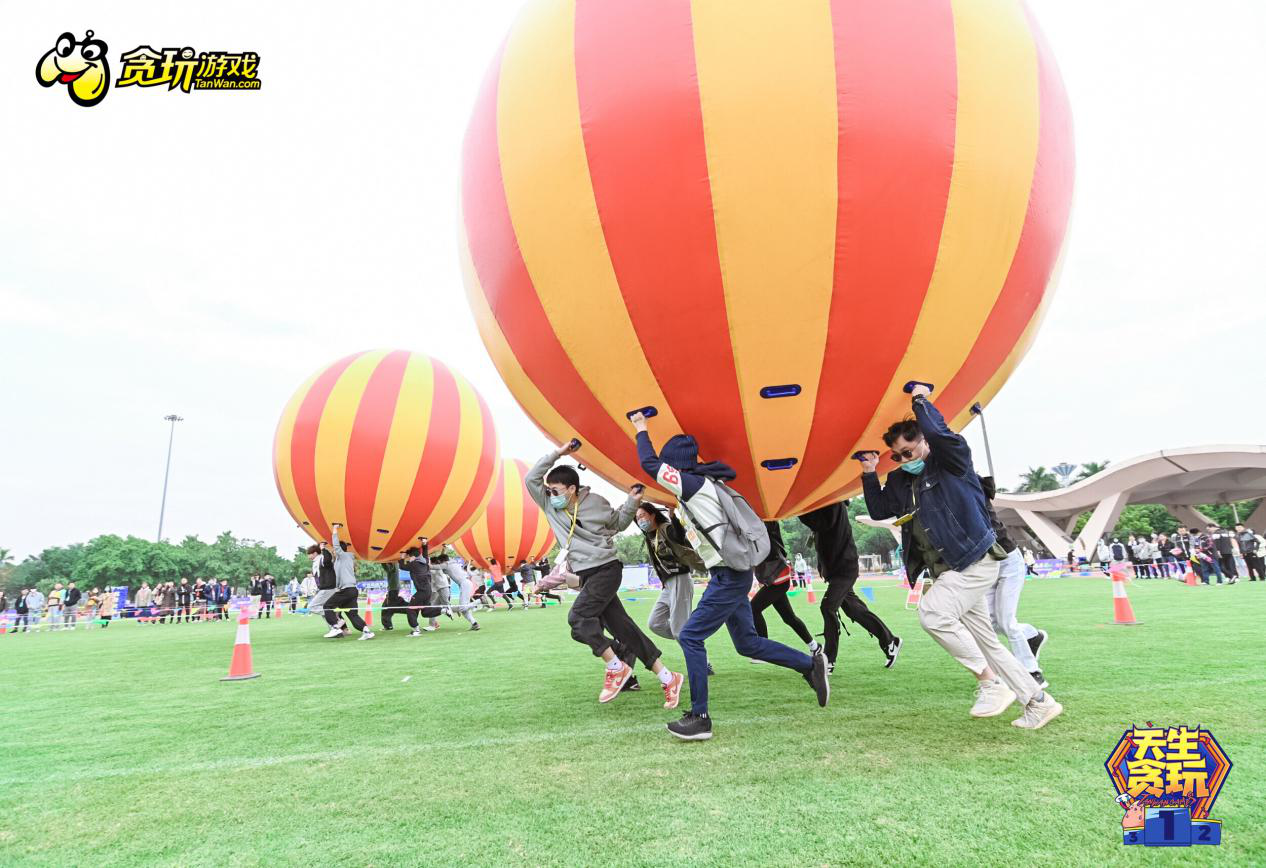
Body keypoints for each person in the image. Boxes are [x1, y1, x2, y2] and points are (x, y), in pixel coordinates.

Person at [859, 383, 1061, 730]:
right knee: (989, 643)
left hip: (974, 559)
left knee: (933, 613)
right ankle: (1038, 702)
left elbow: (941, 434)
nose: (905, 460)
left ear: (925, 441)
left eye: (910, 451)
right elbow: (879, 509)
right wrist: (868, 471)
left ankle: (990, 682)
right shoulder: (900, 481)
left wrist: (920, 399)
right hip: (946, 569)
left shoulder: (951, 463)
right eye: (899, 456)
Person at [631, 413, 827, 741]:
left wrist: (640, 428)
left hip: (729, 576)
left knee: (691, 636)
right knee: (747, 643)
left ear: (675, 468)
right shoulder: (700, 487)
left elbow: (649, 464)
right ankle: (810, 665)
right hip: (732, 573)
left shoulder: (691, 484)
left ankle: (700, 717)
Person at [528, 439, 683, 708]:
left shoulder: (596, 503)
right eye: (549, 491)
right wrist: (559, 453)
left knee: (578, 619)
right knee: (624, 630)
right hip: (586, 575)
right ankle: (668, 677)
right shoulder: (549, 504)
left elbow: (619, 523)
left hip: (607, 570)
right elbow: (532, 478)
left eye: (556, 490)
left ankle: (616, 666)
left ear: (572, 489)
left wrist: (632, 502)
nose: (552, 495)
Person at [798, 501, 900, 672]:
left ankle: (829, 660)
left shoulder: (832, 503)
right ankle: (890, 641)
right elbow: (823, 536)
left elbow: (822, 524)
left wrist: (799, 509)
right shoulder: (825, 504)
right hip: (837, 570)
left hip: (845, 568)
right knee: (854, 610)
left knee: (827, 608)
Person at [979, 476, 1048, 689]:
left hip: (1008, 562)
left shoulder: (973, 497)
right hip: (988, 565)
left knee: (1006, 621)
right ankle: (1032, 635)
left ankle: (1032, 671)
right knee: (992, 622)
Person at [749, 521, 819, 660]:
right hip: (774, 579)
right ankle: (815, 647)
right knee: (789, 618)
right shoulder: (759, 524)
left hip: (778, 579)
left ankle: (763, 649)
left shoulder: (767, 523)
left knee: (753, 608)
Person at [637, 501, 703, 642]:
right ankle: (690, 639)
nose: (640, 519)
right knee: (655, 623)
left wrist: (672, 516)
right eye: (637, 518)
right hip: (667, 585)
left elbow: (679, 536)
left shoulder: (665, 528)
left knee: (679, 628)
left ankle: (700, 659)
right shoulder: (649, 536)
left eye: (643, 515)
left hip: (680, 578)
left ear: (653, 515)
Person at [324, 525, 373, 639]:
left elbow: (336, 546)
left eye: (335, 550)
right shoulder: (340, 561)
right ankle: (367, 632)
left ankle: (335, 628)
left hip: (347, 590)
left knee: (327, 606)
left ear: (339, 550)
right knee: (352, 614)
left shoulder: (344, 556)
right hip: (350, 590)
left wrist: (335, 530)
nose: (334, 552)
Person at [436, 548, 481, 630]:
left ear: (442, 561)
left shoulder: (445, 565)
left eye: (439, 561)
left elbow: (434, 566)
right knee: (464, 610)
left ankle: (480, 601)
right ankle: (474, 623)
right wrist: (443, 550)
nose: (439, 563)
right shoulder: (452, 561)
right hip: (466, 583)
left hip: (464, 584)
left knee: (462, 608)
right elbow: (442, 557)